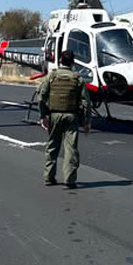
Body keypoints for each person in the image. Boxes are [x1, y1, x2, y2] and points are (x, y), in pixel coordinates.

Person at [39, 50, 91, 189]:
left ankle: (49, 176)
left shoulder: (52, 76)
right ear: (73, 62)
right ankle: (70, 179)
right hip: (71, 116)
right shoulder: (77, 78)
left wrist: (43, 116)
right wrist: (86, 121)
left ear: (60, 60)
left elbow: (42, 95)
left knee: (52, 146)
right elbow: (86, 102)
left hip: (54, 115)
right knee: (71, 148)